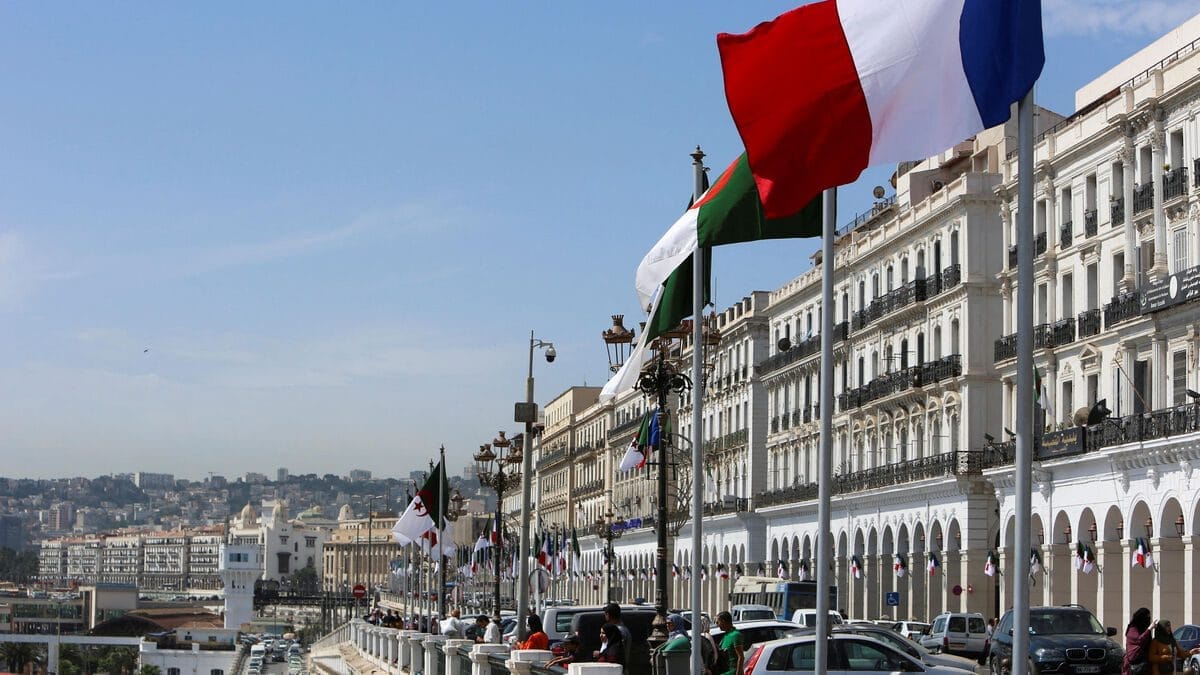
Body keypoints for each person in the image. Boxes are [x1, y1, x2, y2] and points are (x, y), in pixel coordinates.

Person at [1125, 608, 1157, 675]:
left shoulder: (1144, 629)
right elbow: (1139, 640)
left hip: (1145, 662)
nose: (1148, 619)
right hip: (1134, 661)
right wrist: (1149, 629)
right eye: (1147, 616)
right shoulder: (1132, 628)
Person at [715, 611, 745, 675]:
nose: (717, 625)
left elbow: (741, 657)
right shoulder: (726, 635)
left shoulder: (735, 635)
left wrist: (738, 673)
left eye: (718, 622)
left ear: (723, 621)